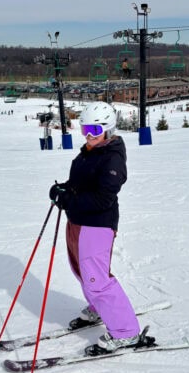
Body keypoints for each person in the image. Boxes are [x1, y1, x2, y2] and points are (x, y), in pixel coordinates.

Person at [49, 102, 141, 351]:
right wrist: (65, 188)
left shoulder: (112, 159)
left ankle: (126, 332)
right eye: (84, 128)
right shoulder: (90, 151)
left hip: (97, 224)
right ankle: (99, 308)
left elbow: (103, 198)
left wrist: (70, 199)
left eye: (94, 130)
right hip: (78, 220)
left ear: (108, 130)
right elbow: (82, 182)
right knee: (82, 271)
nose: (88, 135)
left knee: (96, 278)